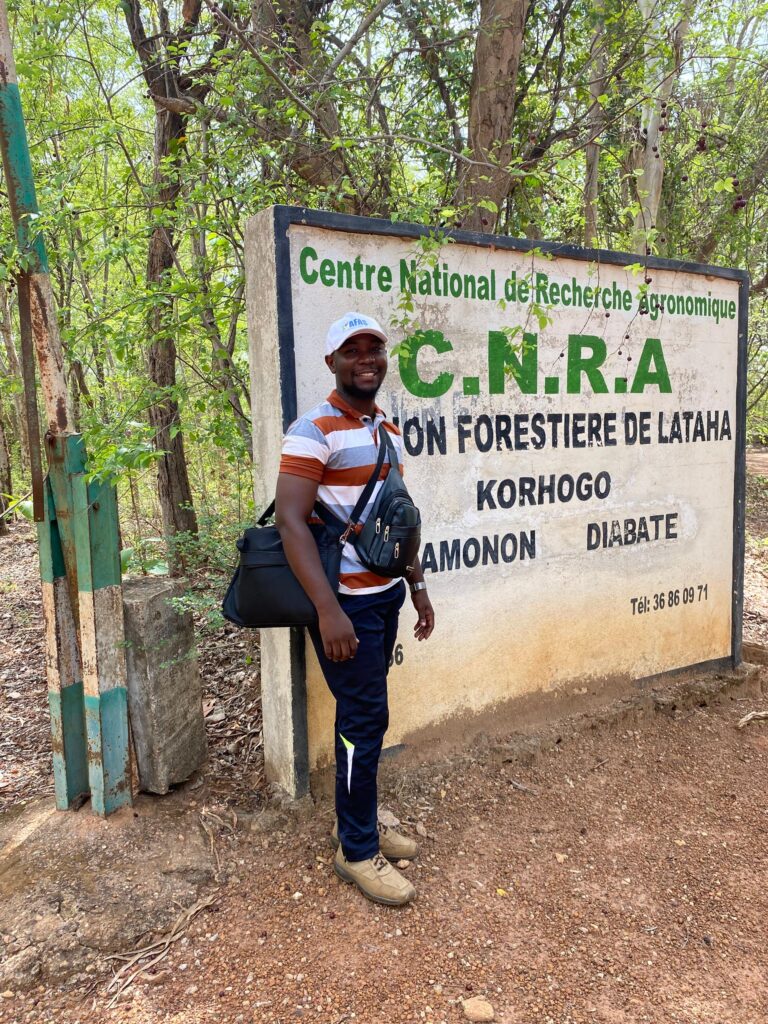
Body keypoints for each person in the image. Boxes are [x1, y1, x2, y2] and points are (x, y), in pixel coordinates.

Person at [275, 312, 435, 906]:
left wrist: (416, 586)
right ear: (332, 362)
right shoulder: (312, 430)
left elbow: (399, 519)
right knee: (363, 721)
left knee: (365, 717)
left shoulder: (384, 428)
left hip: (383, 595)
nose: (366, 358)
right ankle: (357, 849)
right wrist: (327, 610)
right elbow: (291, 522)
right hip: (345, 606)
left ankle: (358, 819)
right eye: (352, 350)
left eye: (374, 349)